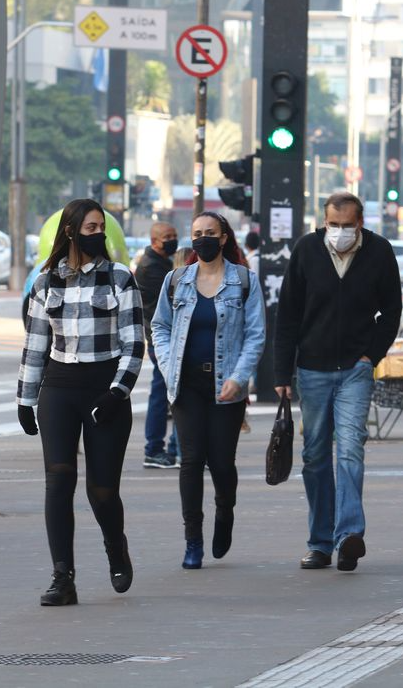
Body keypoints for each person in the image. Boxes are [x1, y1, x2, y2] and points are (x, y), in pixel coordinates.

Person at [16, 198, 145, 606]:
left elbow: (134, 345)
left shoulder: (119, 279)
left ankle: (115, 546)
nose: (98, 235)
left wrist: (117, 391)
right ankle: (62, 578)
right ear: (70, 231)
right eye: (90, 228)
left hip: (104, 389)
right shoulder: (45, 282)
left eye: (100, 227)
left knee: (101, 491)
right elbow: (35, 345)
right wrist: (25, 398)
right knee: (58, 480)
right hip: (58, 388)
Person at [274, 191, 401, 572]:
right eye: (334, 224)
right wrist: (281, 373)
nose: (340, 232)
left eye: (347, 225)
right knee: (314, 456)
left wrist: (371, 354)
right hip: (311, 369)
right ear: (324, 221)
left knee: (349, 449)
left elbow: (392, 310)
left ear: (360, 223)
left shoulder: (379, 251)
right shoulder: (306, 250)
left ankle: (349, 536)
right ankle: (319, 542)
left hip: (355, 370)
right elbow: (288, 314)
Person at [151, 212, 265, 569]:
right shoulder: (176, 280)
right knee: (191, 460)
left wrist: (240, 376)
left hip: (226, 387)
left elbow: (256, 334)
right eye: (197, 234)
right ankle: (192, 539)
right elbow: (160, 327)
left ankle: (225, 512)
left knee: (221, 463)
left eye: (210, 233)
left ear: (224, 237)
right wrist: (169, 365)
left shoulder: (244, 281)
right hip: (186, 385)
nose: (203, 239)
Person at [134, 221, 180, 469]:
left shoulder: (161, 263)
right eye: (167, 236)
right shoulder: (152, 267)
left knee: (166, 393)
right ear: (154, 241)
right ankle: (154, 449)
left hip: (163, 338)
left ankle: (170, 448)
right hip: (161, 340)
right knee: (162, 394)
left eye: (174, 234)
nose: (173, 239)